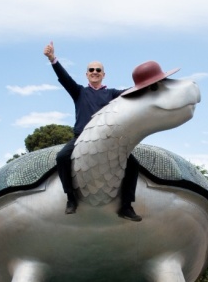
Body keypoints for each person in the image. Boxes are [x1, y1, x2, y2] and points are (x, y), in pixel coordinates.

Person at [43, 41, 142, 221]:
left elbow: (132, 92)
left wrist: (152, 82)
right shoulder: (80, 92)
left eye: (98, 70)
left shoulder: (112, 94)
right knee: (62, 157)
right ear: (87, 74)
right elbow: (65, 79)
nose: (94, 72)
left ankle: (126, 206)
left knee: (133, 165)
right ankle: (71, 198)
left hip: (109, 140)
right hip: (82, 138)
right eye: (91, 70)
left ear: (103, 74)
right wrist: (53, 59)